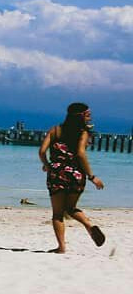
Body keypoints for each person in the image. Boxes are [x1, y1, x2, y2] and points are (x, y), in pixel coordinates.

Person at [39, 102, 105, 253]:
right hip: (76, 174)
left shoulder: (55, 130)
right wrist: (92, 176)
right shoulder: (83, 133)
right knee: (70, 208)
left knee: (57, 214)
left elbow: (42, 151)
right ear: (81, 116)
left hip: (57, 174)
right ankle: (89, 226)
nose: (90, 117)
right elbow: (80, 154)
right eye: (88, 114)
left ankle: (61, 247)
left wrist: (48, 165)